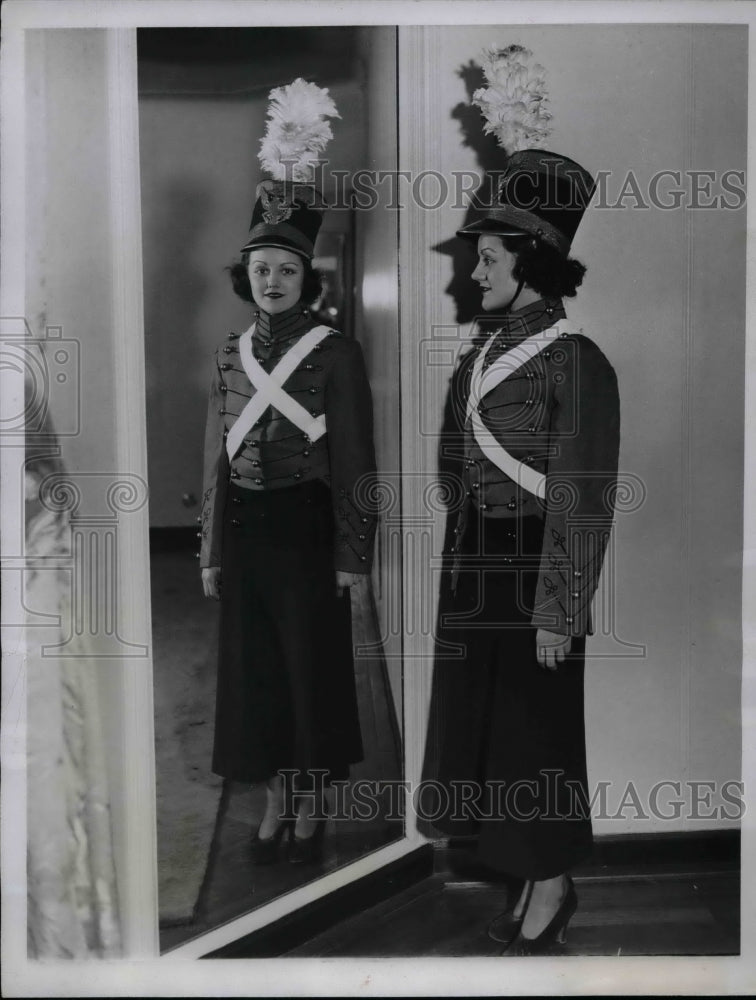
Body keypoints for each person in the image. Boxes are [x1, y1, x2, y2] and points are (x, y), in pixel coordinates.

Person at [423, 149, 620, 953]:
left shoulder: (578, 361)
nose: (475, 275)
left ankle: (552, 884)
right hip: (478, 564)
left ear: (531, 262)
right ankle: (532, 877)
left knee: (537, 736)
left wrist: (559, 612)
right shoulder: (478, 357)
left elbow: (583, 499)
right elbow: (451, 467)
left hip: (538, 569)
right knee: (493, 735)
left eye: (490, 259)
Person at [199, 170, 376, 865]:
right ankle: (275, 796)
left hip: (307, 533)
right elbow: (213, 456)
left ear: (309, 275)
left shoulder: (336, 353)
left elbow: (359, 464)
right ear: (246, 275)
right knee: (257, 677)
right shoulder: (226, 354)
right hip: (243, 532)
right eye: (261, 267)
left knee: (310, 673)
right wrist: (210, 548)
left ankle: (312, 803)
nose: (273, 279)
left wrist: (352, 556)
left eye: (287, 267)